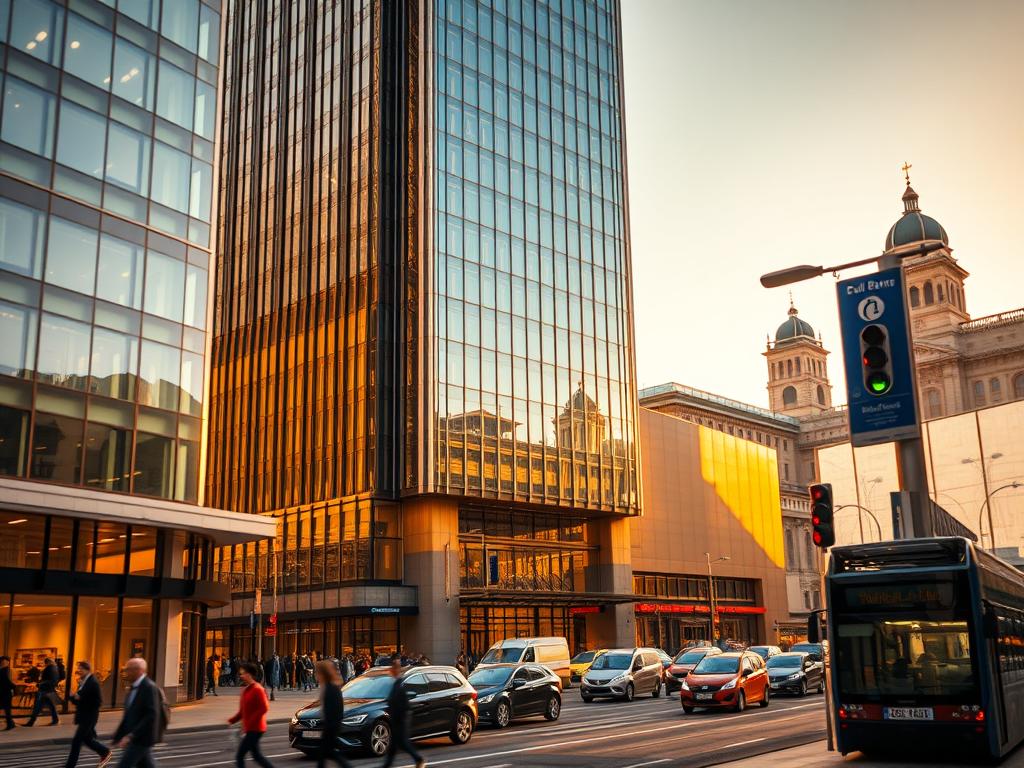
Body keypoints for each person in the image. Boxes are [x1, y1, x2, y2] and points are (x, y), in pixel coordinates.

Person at [111, 657, 160, 768]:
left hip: (141, 738)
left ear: (138, 670)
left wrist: (131, 735)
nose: (126, 672)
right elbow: (128, 715)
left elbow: (151, 715)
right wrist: (118, 735)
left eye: (128, 669)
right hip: (135, 738)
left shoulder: (149, 687)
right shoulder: (133, 687)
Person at [64, 661, 113, 768]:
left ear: (87, 669)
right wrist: (72, 697)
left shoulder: (93, 682)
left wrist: (80, 698)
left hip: (89, 717)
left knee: (77, 741)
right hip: (84, 717)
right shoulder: (84, 682)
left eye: (81, 669)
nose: (79, 671)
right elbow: (78, 700)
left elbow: (98, 702)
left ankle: (70, 765)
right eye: (78, 668)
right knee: (87, 740)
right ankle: (104, 752)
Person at [380, 656, 425, 768]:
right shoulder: (396, 683)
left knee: (402, 744)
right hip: (397, 720)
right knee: (394, 746)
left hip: (400, 721)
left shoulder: (399, 684)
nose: (390, 670)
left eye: (392, 668)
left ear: (396, 670)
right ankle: (387, 765)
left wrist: (399, 719)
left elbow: (403, 704)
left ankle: (419, 759)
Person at [228, 662, 274, 768]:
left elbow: (264, 708)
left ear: (249, 674)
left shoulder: (258, 689)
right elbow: (242, 711)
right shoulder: (245, 690)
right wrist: (232, 720)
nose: (241, 676)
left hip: (256, 729)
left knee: (240, 756)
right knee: (257, 756)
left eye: (243, 673)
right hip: (250, 728)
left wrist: (251, 721)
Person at [314, 660, 352, 768]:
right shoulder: (328, 687)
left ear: (323, 673)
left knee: (327, 753)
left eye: (317, 672)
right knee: (328, 753)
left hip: (331, 727)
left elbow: (336, 710)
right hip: (331, 726)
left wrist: (329, 727)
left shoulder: (331, 688)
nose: (316, 675)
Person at [25, 656, 60, 726]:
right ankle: (55, 720)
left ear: (47, 662)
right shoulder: (55, 668)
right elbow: (53, 680)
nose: (44, 664)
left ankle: (31, 722)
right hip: (49, 690)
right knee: (51, 706)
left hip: (44, 690)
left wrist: (39, 684)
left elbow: (49, 680)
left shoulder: (49, 669)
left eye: (45, 663)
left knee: (37, 706)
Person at [0, 656, 15, 730]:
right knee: (7, 709)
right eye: (6, 661)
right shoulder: (4, 670)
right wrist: (14, 686)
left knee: (7, 709)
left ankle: (10, 724)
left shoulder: (4, 670)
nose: (7, 663)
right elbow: (6, 681)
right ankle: (10, 723)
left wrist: (13, 686)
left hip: (4, 692)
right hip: (5, 692)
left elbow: (6, 681)